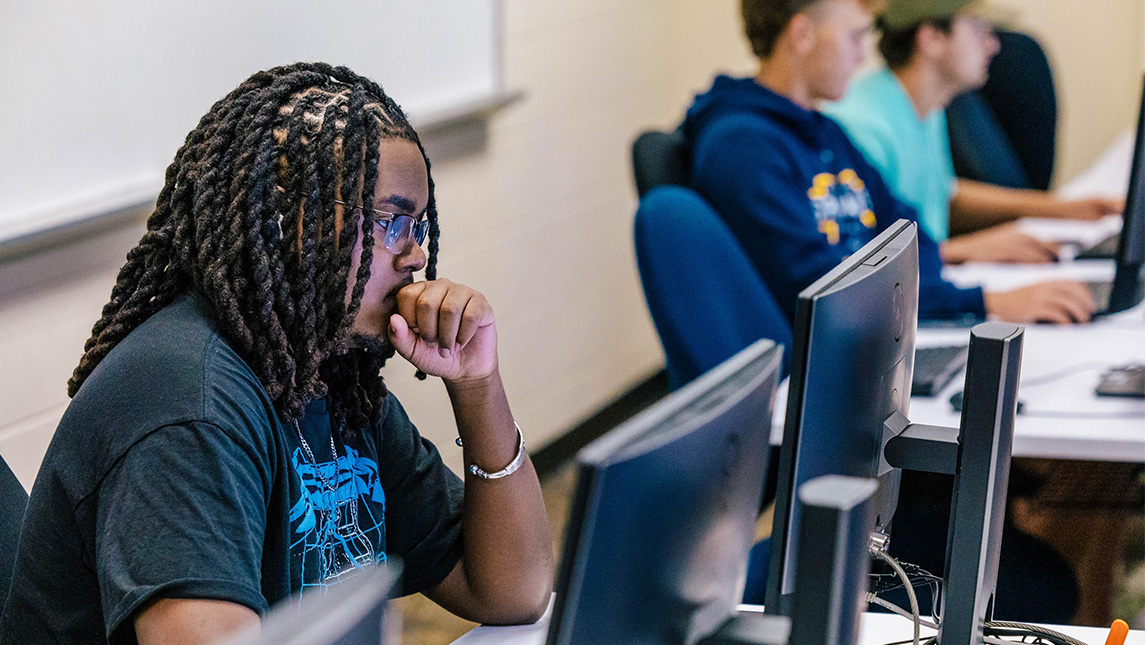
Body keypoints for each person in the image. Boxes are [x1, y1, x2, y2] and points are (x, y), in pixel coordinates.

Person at [0, 63, 553, 644]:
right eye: (392, 222)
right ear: (291, 219)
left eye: (419, 226)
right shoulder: (190, 403)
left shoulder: (327, 377)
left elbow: (513, 590)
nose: (416, 255)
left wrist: (477, 384)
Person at [681, 0, 1096, 324]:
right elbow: (829, 293)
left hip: (877, 331)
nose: (863, 58)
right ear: (802, 34)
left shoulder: (823, 131)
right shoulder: (743, 149)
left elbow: (903, 232)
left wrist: (964, 278)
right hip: (830, 370)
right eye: (854, 38)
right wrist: (986, 301)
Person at [822, 0, 1124, 262]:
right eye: (978, 28)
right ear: (931, 39)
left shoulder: (926, 106)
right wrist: (967, 249)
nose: (993, 44)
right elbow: (860, 261)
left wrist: (1068, 208)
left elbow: (943, 196)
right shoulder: (863, 129)